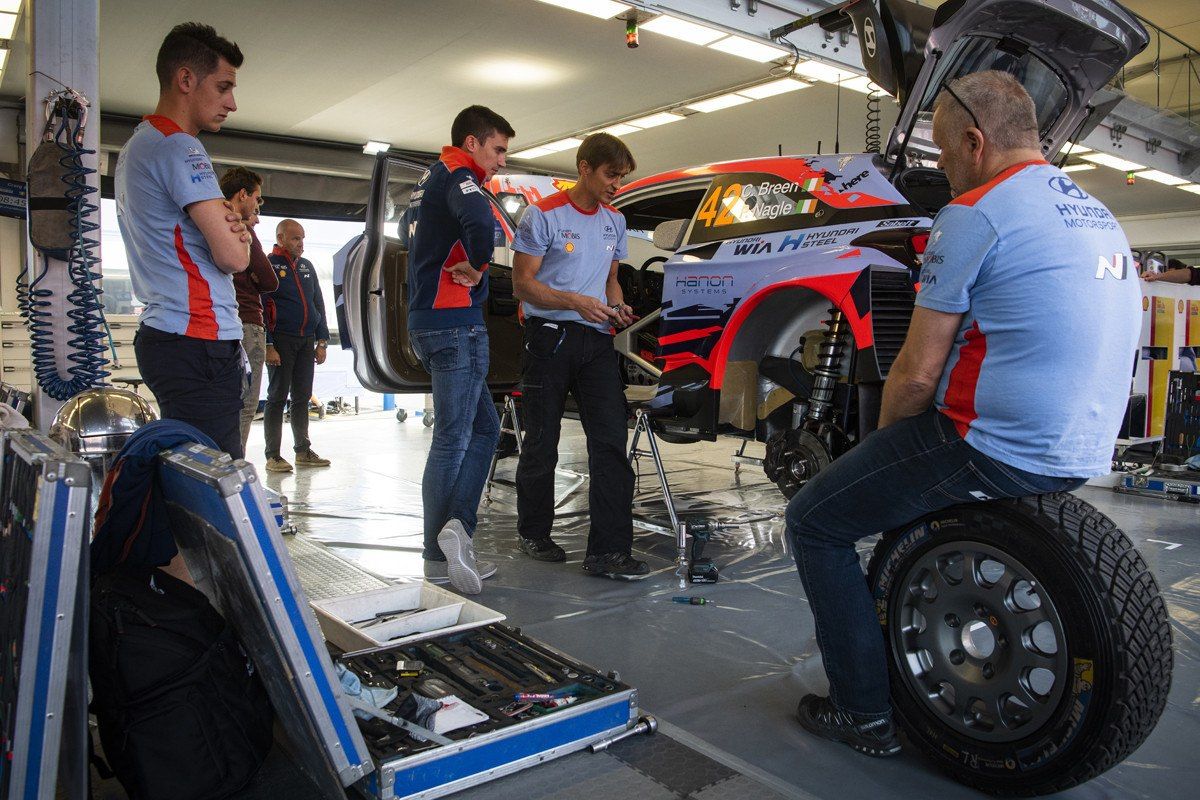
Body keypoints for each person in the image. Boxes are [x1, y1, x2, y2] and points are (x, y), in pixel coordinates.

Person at [785, 71, 1142, 757]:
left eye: (946, 154)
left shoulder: (975, 212)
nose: (944, 170)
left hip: (992, 441)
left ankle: (863, 715)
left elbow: (918, 373)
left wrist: (878, 454)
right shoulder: (1094, 210)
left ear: (976, 142)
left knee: (816, 522)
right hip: (1086, 444)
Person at [510, 133, 647, 580]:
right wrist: (573, 301)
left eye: (622, 177)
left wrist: (616, 304)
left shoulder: (616, 221)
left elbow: (610, 281)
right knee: (542, 440)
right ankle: (534, 530)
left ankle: (608, 552)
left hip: (596, 339)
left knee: (610, 442)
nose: (616, 185)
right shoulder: (542, 214)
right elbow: (523, 285)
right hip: (548, 337)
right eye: (611, 175)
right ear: (584, 168)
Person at [115, 22, 250, 457]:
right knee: (216, 491)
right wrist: (237, 230)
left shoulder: (139, 145)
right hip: (198, 339)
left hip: (169, 336)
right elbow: (234, 256)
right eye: (224, 86)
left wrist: (231, 220)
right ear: (186, 80)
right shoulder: (180, 147)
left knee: (188, 478)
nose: (232, 102)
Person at [407, 105, 513, 595]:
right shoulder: (459, 176)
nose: (502, 162)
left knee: (486, 429)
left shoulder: (432, 178)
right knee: (453, 438)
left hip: (431, 324)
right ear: (472, 143)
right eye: (498, 149)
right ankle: (442, 547)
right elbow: (480, 227)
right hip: (455, 326)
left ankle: (454, 533)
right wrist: (479, 264)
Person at [261, 220, 331, 472]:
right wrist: (269, 344)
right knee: (277, 397)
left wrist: (322, 341)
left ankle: (303, 451)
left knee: (302, 396)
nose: (300, 244)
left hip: (306, 340)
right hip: (281, 340)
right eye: (295, 239)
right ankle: (273, 456)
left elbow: (318, 304)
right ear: (280, 238)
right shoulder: (269, 265)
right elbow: (262, 306)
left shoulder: (306, 266)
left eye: (302, 239)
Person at [219, 166, 279, 455]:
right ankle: (235, 467)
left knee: (226, 402)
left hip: (221, 324)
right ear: (243, 195)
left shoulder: (211, 223)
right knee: (246, 404)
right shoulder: (243, 231)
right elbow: (269, 281)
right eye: (257, 199)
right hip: (246, 323)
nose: (257, 207)